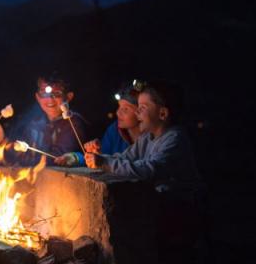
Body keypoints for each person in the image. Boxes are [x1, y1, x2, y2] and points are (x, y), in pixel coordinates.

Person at [85, 80, 204, 263]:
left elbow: (149, 169)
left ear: (162, 113)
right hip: (159, 207)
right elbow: (125, 158)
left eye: (142, 107)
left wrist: (106, 163)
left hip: (180, 211)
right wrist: (101, 157)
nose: (137, 112)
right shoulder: (147, 138)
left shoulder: (175, 139)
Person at [0, 74, 88, 166]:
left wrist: (21, 162)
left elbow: (57, 159)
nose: (50, 99)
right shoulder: (34, 122)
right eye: (44, 94)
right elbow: (17, 152)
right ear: (38, 97)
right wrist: (1, 139)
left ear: (69, 97)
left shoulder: (74, 122)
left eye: (57, 93)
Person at [54, 79, 146, 166]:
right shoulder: (115, 130)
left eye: (126, 109)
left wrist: (103, 161)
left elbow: (138, 167)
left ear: (141, 112)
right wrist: (77, 158)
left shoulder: (153, 139)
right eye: (119, 106)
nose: (118, 112)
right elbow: (103, 158)